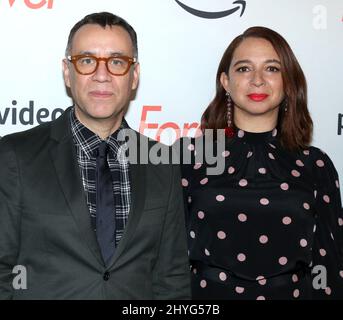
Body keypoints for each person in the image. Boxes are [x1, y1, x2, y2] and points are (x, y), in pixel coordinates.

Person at [0, 12, 190, 300]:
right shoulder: (15, 155)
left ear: (134, 75)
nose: (102, 76)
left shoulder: (160, 161)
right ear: (67, 71)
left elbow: (171, 276)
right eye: (87, 61)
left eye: (117, 62)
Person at [180, 26, 343, 299]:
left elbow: (331, 264)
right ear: (225, 82)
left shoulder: (316, 165)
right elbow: (166, 258)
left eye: (272, 69)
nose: (257, 80)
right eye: (244, 69)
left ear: (288, 82)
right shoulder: (190, 158)